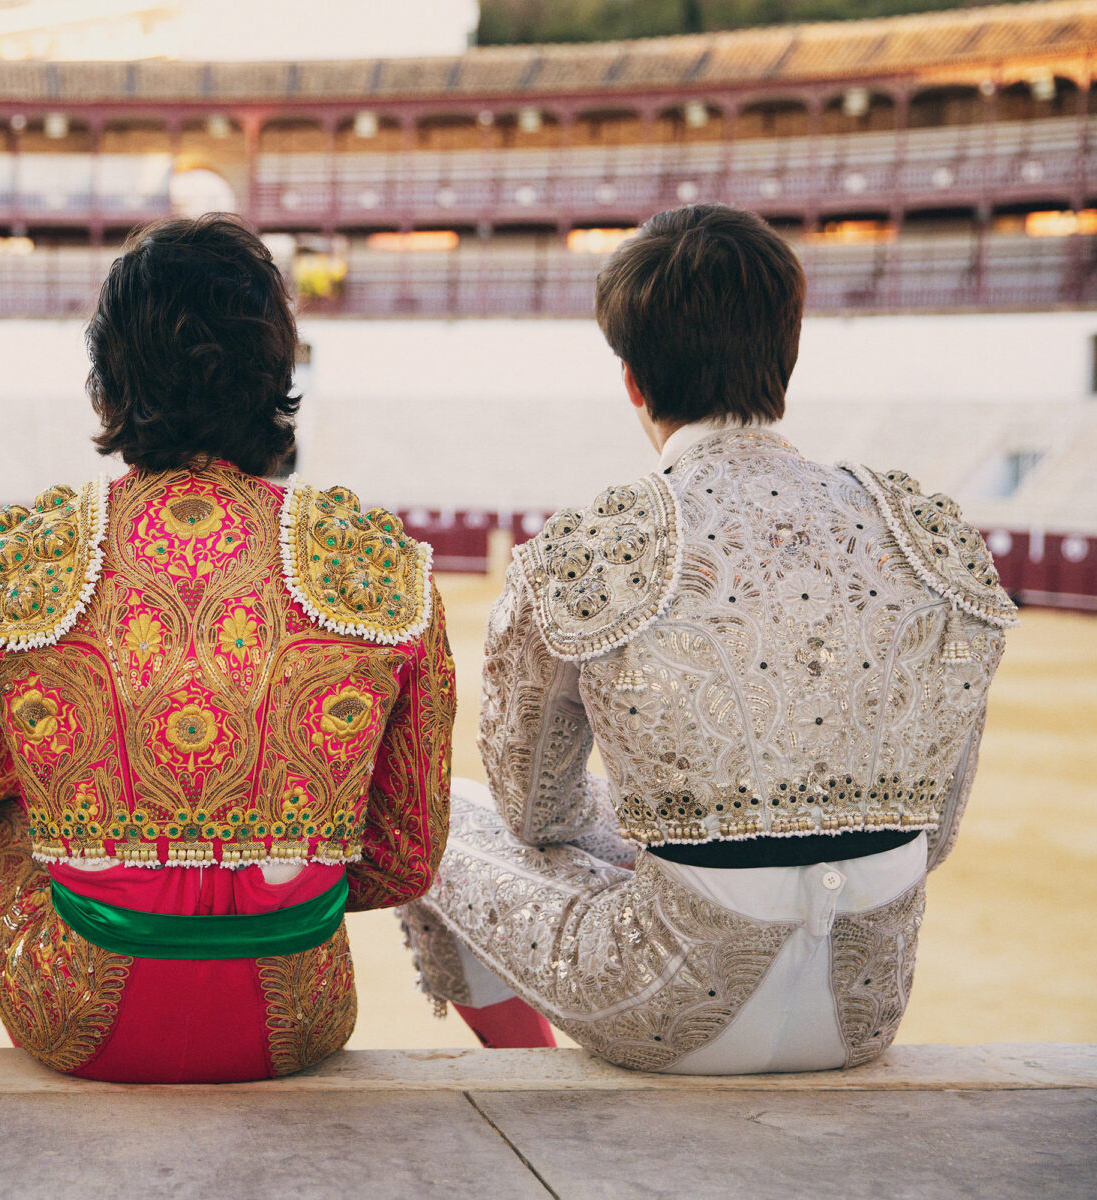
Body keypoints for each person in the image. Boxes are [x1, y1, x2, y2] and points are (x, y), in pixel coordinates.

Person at [400, 204, 1015, 1072]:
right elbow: (934, 835)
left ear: (633, 381)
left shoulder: (592, 549)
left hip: (669, 1007)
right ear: (787, 358)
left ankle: (517, 1071)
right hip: (865, 1003)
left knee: (440, 826)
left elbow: (535, 811)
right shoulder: (926, 532)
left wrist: (654, 832)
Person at [0, 214, 454, 1082]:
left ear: (106, 385)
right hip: (301, 1015)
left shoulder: (8, 563)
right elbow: (406, 856)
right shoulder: (378, 564)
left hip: (82, 1012)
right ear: (277, 375)